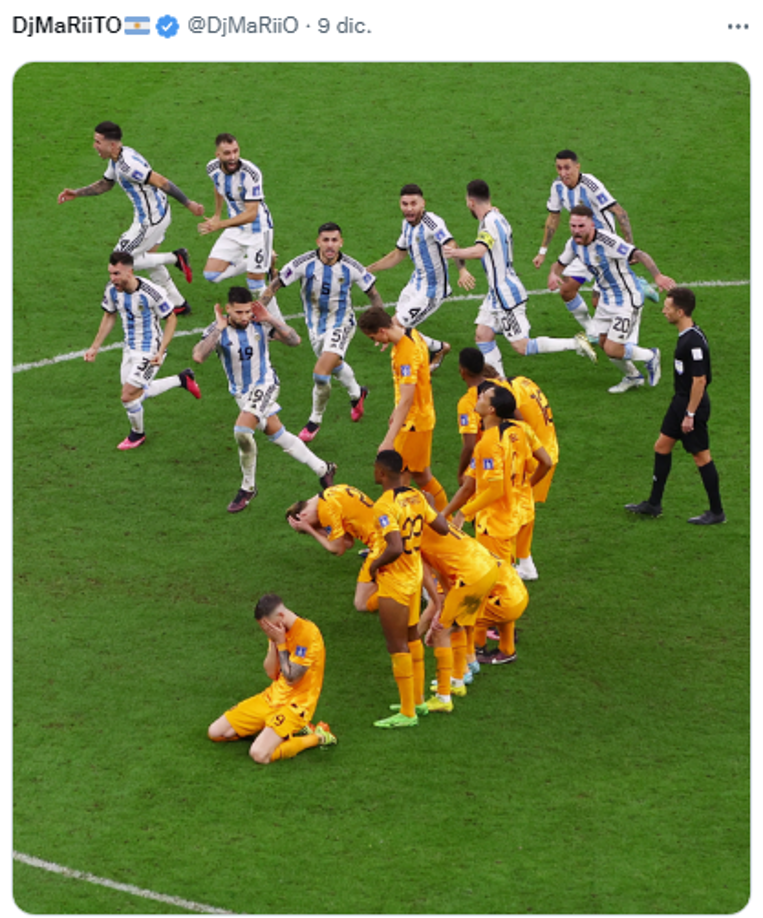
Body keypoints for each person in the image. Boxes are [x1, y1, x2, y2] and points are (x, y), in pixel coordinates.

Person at [191, 287, 337, 512]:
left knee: (242, 431)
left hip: (265, 384)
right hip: (241, 394)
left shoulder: (259, 323)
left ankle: (247, 487)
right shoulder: (217, 330)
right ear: (227, 309)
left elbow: (294, 340)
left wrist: (270, 318)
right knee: (278, 435)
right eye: (238, 312)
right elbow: (199, 356)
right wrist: (218, 329)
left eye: (247, 311)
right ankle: (323, 469)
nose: (244, 317)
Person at [443, 180, 597, 377]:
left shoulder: (490, 222)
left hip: (506, 294)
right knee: (483, 335)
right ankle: (500, 383)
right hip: (496, 293)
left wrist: (454, 252)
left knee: (522, 346)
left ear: (470, 202)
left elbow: (480, 250)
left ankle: (576, 343)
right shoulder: (495, 217)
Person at [58, 121, 204, 316]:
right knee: (149, 257)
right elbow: (106, 184)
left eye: (97, 141)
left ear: (111, 145)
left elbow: (161, 181)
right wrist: (77, 193)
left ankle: (175, 257)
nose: (94, 146)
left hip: (149, 222)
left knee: (119, 261)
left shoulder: (128, 165)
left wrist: (188, 203)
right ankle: (178, 303)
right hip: (158, 213)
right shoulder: (118, 156)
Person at [257, 223, 379, 442]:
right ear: (318, 242)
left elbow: (374, 295)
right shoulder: (304, 263)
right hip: (315, 327)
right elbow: (276, 284)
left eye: (334, 240)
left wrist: (381, 327)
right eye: (326, 240)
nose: (330, 245)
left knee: (321, 373)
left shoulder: (352, 267)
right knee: (333, 364)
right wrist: (258, 307)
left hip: (342, 323)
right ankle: (356, 393)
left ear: (341, 242)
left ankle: (314, 421)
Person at [531, 148, 659, 340]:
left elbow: (620, 212)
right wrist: (542, 251)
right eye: (559, 168)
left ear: (577, 167)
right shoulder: (557, 186)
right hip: (581, 246)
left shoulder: (590, 185)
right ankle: (592, 330)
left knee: (598, 302)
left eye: (567, 168)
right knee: (566, 290)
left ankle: (637, 287)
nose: (563, 173)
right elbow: (553, 217)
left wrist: (629, 248)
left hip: (604, 248)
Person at [455, 348, 558, 580]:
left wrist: (461, 505)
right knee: (521, 507)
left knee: (497, 510)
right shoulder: (512, 411)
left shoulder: (470, 406)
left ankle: (504, 568)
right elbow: (520, 420)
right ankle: (524, 563)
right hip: (524, 454)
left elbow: (470, 444)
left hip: (500, 461)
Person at [548, 204, 676, 392]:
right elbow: (559, 263)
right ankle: (633, 376)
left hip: (626, 298)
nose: (576, 230)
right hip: (607, 299)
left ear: (591, 224)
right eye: (573, 226)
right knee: (602, 342)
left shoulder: (607, 241)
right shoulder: (574, 243)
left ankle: (650, 356)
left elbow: (639, 254)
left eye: (581, 226)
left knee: (613, 348)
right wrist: (553, 274)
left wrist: (657, 276)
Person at [626, 287, 725, 525]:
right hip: (680, 401)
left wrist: (690, 414)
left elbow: (699, 381)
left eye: (668, 308)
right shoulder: (687, 336)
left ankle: (717, 512)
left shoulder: (693, 343)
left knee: (701, 457)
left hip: (692, 405)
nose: (663, 311)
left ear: (680, 312)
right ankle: (654, 504)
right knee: (662, 446)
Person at [83, 251, 201, 450]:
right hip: (129, 349)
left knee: (127, 395)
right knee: (135, 394)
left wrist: (161, 350)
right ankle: (182, 379)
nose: (113, 279)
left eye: (117, 274)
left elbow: (171, 318)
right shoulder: (112, 290)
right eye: (111, 273)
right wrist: (95, 347)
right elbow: (109, 316)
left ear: (130, 272)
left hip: (150, 350)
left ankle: (137, 434)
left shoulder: (151, 292)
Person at [368, 450, 449, 729]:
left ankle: (407, 713)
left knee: (396, 644)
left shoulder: (383, 506)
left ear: (381, 473)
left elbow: (394, 547)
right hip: (415, 577)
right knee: (413, 635)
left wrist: (373, 565)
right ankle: (418, 700)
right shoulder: (415, 496)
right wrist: (429, 505)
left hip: (396, 581)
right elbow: (442, 528)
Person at [207, 593, 336, 764]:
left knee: (260, 754)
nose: (267, 631)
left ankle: (318, 736)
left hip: (296, 706)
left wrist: (281, 643)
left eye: (267, 627)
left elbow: (291, 679)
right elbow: (271, 672)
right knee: (217, 733)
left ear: (281, 616)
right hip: (272, 698)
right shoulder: (277, 633)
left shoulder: (308, 634)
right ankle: (273, 730)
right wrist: (274, 642)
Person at [367, 183, 475, 370]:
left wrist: (462, 270)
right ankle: (436, 348)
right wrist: (367, 270)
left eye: (413, 203)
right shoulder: (406, 225)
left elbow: (451, 244)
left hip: (432, 291)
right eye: (404, 204)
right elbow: (398, 254)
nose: (409, 208)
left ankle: (438, 348)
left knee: (394, 326)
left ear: (423, 203)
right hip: (415, 284)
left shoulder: (432, 223)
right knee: (397, 327)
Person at [445, 385, 551, 569]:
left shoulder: (488, 443)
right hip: (516, 513)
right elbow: (545, 463)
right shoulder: (521, 429)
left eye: (483, 397)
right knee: (505, 575)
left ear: (491, 410)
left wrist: (463, 513)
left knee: (499, 582)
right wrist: (444, 515)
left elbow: (495, 489)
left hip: (495, 523)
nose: (478, 398)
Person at [358, 305, 449, 511]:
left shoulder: (405, 355)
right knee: (422, 475)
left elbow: (408, 399)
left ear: (382, 330)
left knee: (397, 480)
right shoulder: (412, 334)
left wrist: (389, 439)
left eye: (374, 337)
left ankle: (402, 532)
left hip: (413, 423)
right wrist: (396, 410)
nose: (375, 342)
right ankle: (448, 520)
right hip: (421, 416)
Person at [417, 521, 500, 712]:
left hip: (471, 575)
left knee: (441, 632)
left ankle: (443, 698)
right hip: (487, 568)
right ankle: (457, 680)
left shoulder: (414, 537)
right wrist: (443, 608)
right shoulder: (437, 526)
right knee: (456, 623)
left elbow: (428, 576)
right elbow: (444, 573)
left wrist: (438, 606)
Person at [198, 133, 276, 303]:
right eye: (227, 153)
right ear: (218, 155)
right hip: (235, 228)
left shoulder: (251, 174)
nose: (233, 157)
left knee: (255, 285)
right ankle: (266, 259)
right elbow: (218, 187)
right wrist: (216, 214)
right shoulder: (212, 168)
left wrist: (220, 224)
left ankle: (277, 324)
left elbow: (251, 214)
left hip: (258, 230)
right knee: (211, 275)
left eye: (236, 151)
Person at [285, 484, 386, 614]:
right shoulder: (333, 492)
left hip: (382, 544)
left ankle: (404, 591)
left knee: (361, 603)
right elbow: (348, 543)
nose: (317, 526)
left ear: (303, 515)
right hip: (388, 532)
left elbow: (338, 549)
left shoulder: (326, 509)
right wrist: (313, 527)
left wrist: (311, 530)